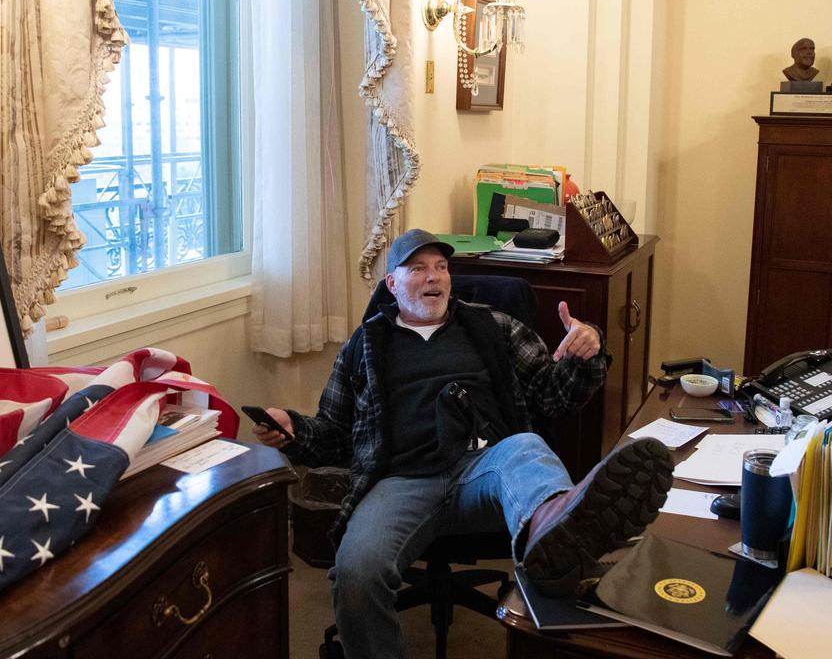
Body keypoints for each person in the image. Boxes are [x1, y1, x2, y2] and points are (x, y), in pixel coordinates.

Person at [251, 229, 673, 659]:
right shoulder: (363, 346)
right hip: (400, 480)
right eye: (418, 269)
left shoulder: (492, 326)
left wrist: (587, 353)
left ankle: (554, 530)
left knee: (526, 445)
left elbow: (554, 394)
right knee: (355, 574)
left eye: (441, 267)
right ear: (392, 284)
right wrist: (294, 430)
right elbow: (334, 435)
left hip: (486, 468)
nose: (434, 278)